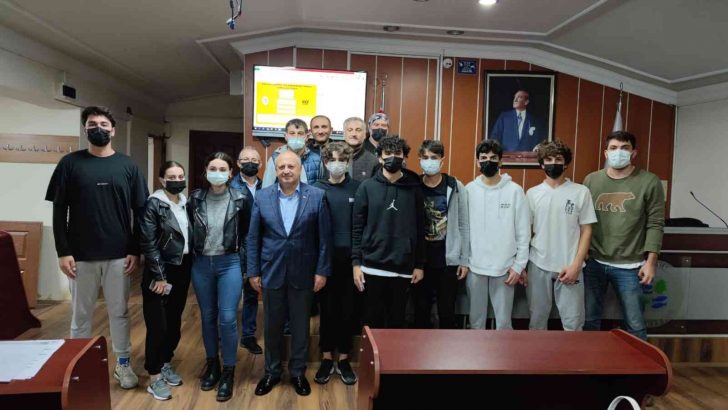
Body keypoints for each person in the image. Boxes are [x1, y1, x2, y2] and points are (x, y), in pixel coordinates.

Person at [45, 105, 147, 389]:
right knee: (80, 315)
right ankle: (78, 368)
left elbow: (140, 211)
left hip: (119, 256)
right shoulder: (70, 164)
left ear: (113, 130)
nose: (98, 128)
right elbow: (59, 211)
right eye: (92, 124)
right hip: (80, 255)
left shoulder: (128, 166)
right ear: (85, 129)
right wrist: (63, 251)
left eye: (103, 124)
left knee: (120, 312)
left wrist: (135, 249)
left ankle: (123, 365)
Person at [248, 150, 332, 397]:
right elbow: (253, 238)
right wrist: (253, 271)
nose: (286, 171)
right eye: (281, 167)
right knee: (272, 326)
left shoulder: (316, 196)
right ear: (275, 170)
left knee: (300, 327)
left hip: (304, 272)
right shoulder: (262, 197)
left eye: (291, 166)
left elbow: (324, 239)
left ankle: (297, 373)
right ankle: (271, 372)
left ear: (299, 169)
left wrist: (321, 271)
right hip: (270, 271)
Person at [583, 131, 665, 340]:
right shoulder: (591, 180)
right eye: (613, 148)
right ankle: (587, 359)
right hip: (594, 263)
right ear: (606, 153)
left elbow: (656, 223)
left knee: (635, 323)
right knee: (589, 320)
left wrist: (651, 262)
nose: (618, 152)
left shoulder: (649, 181)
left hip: (631, 265)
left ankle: (640, 361)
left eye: (624, 148)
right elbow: (582, 222)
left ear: (633, 153)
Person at [188, 152, 251, 402]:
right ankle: (212, 364)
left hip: (229, 263)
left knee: (227, 318)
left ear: (231, 173)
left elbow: (247, 234)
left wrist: (247, 266)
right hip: (201, 264)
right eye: (213, 168)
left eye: (222, 169)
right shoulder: (195, 198)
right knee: (208, 317)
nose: (217, 172)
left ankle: (229, 371)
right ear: (205, 171)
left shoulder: (241, 198)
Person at [352, 136, 425, 329]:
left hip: (403, 268)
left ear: (405, 157)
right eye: (388, 153)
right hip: (371, 267)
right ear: (380, 157)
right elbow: (357, 228)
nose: (393, 157)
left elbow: (420, 228)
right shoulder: (366, 187)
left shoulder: (414, 189)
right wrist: (356, 264)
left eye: (398, 153)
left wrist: (419, 264)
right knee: (371, 324)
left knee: (396, 325)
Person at [525, 141, 597, 331]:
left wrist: (576, 265)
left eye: (558, 159)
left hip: (570, 266)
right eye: (548, 159)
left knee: (573, 324)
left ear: (566, 163)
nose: (553, 163)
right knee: (537, 322)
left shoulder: (581, 192)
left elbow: (587, 230)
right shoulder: (532, 194)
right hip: (538, 264)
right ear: (542, 164)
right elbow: (526, 232)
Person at [139, 161, 192, 400]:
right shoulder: (153, 204)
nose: (177, 180)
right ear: (162, 180)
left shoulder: (185, 202)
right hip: (160, 271)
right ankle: (154, 376)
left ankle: (165, 362)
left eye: (181, 176)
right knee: (158, 325)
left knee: (173, 322)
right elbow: (149, 243)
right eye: (172, 176)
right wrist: (159, 275)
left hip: (182, 268)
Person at [466, 139, 530, 330]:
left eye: (493, 158)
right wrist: (463, 262)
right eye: (484, 157)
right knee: (476, 323)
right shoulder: (468, 190)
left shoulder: (515, 191)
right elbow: (463, 230)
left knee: (503, 324)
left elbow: (523, 232)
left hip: (505, 269)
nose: (488, 161)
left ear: (501, 161)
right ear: (477, 161)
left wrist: (519, 266)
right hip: (474, 267)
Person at [312, 142, 361, 385]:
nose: (337, 164)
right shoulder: (315, 189)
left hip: (351, 260)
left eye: (342, 159)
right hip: (324, 260)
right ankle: (325, 357)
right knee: (327, 310)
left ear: (349, 161)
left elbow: (362, 225)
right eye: (332, 159)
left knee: (347, 310)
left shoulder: (358, 188)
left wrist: (358, 260)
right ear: (325, 162)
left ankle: (343, 359)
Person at [412, 140, 470, 329]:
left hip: (447, 260)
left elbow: (463, 224)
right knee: (421, 312)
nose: (429, 161)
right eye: (425, 157)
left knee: (447, 312)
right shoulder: (414, 186)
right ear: (419, 160)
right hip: (421, 261)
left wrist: (464, 260)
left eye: (434, 157)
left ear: (442, 160)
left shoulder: (455, 186)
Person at [231, 146, 264, 355]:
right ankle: (225, 336)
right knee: (232, 295)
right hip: (236, 247)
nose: (249, 162)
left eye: (254, 159)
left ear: (260, 164)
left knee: (253, 292)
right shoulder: (230, 186)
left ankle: (248, 336)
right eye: (245, 159)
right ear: (238, 163)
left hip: (260, 246)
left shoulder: (268, 185)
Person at [262, 118, 321, 187]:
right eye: (292, 133)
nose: (296, 137)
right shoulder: (275, 158)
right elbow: (266, 188)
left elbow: (321, 189)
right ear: (286, 136)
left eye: (300, 133)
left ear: (307, 136)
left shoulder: (316, 159)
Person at [321, 117, 379, 182]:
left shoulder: (373, 161)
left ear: (365, 135)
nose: (354, 134)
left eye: (358, 130)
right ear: (344, 133)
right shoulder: (331, 157)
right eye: (350, 130)